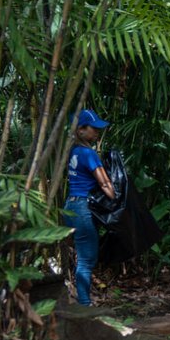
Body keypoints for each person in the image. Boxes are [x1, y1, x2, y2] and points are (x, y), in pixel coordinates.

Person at [63, 109, 116, 306]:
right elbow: (104, 184)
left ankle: (80, 299)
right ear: (80, 130)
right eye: (93, 129)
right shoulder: (88, 153)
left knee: (81, 255)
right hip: (82, 209)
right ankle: (85, 304)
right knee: (87, 258)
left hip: (70, 206)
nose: (97, 133)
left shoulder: (73, 152)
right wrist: (116, 198)